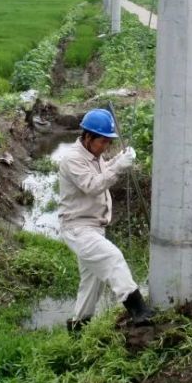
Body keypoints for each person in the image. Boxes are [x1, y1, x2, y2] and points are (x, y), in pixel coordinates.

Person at [59, 108, 155, 331]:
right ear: (87, 136)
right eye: (102, 142)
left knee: (92, 283)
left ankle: (77, 327)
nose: (105, 147)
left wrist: (118, 160)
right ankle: (138, 309)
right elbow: (92, 185)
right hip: (78, 228)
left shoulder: (94, 156)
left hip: (93, 227)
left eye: (108, 143)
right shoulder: (72, 159)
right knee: (113, 258)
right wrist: (119, 168)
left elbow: (102, 172)